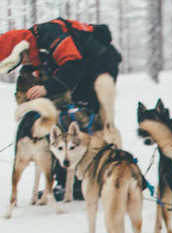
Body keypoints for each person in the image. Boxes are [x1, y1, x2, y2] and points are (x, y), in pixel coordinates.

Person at [0, 18, 122, 198]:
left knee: (83, 119)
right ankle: (69, 181)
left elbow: (73, 66)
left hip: (100, 64)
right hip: (83, 68)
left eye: (23, 59)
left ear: (21, 48)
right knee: (61, 122)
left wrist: (47, 88)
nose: (25, 62)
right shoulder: (34, 47)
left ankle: (90, 179)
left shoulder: (50, 35)